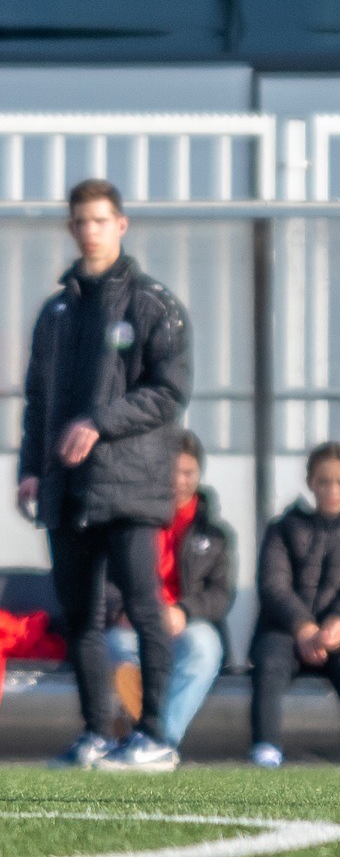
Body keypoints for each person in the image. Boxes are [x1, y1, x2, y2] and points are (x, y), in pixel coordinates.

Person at [16, 178, 191, 771]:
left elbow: (169, 392)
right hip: (68, 488)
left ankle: (156, 736)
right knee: (80, 617)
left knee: (144, 609)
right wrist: (32, 470)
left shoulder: (153, 304)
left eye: (100, 220)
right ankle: (96, 734)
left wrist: (100, 421)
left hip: (131, 485)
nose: (89, 230)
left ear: (122, 224)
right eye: (80, 221)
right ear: (71, 229)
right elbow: (38, 400)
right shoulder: (56, 312)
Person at [249, 441, 340, 771]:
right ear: (310, 483)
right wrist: (303, 627)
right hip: (286, 630)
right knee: (269, 665)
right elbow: (273, 585)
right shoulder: (282, 529)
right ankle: (266, 747)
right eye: (324, 482)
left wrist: (337, 623)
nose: (333, 490)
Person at [106, 429, 232, 750]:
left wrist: (184, 611)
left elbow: (221, 594)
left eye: (188, 472)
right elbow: (108, 578)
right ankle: (142, 737)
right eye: (171, 470)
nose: (179, 480)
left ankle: (159, 740)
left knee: (205, 647)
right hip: (136, 624)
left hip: (185, 626)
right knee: (115, 646)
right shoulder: (133, 523)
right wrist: (121, 610)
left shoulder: (215, 534)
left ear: (199, 474)